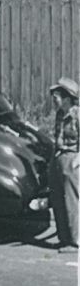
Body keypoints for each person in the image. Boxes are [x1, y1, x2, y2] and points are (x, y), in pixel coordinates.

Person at [47, 77, 79, 250]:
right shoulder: (60, 114)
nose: (54, 100)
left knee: (72, 201)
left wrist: (77, 162)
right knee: (57, 199)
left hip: (72, 159)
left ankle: (75, 242)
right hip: (58, 158)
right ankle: (64, 238)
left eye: (57, 97)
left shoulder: (77, 115)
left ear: (67, 98)